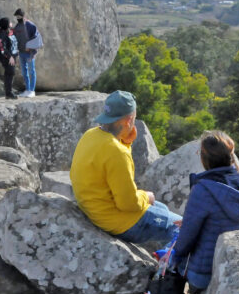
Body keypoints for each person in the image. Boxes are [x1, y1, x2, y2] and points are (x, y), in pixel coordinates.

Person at [70, 90, 181, 244]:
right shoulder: (117, 151)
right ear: (129, 120)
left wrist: (126, 142)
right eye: (134, 119)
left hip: (96, 211)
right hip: (119, 222)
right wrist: (145, 196)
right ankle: (171, 267)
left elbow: (113, 165)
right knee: (183, 228)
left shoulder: (90, 135)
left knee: (162, 209)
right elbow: (128, 204)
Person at [175, 131, 239, 292]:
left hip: (204, 272)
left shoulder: (203, 189)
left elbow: (186, 238)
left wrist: (174, 257)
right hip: (233, 265)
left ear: (204, 158)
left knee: (171, 263)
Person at [13, 8, 38, 97]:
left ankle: (32, 90)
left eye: (19, 16)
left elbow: (36, 38)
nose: (17, 18)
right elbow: (15, 38)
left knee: (32, 71)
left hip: (30, 53)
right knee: (24, 72)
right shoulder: (17, 26)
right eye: (16, 16)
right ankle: (27, 90)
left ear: (23, 16)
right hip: (21, 53)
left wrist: (29, 47)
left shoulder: (30, 25)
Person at [0, 17, 18, 100]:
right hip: (7, 57)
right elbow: (2, 49)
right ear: (7, 24)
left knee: (10, 73)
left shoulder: (9, 31)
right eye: (10, 22)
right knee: (9, 73)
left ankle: (8, 92)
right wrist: (10, 57)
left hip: (11, 56)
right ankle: (8, 93)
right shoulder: (2, 34)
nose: (11, 23)